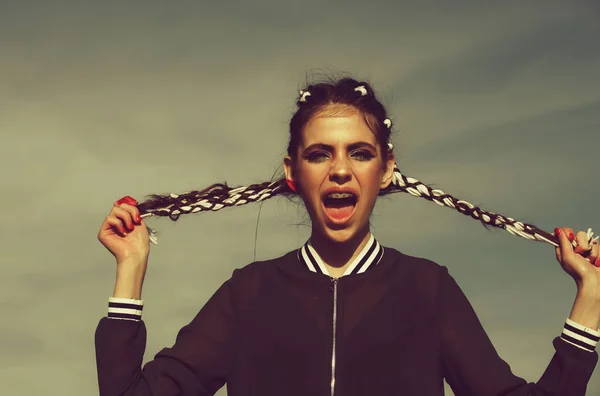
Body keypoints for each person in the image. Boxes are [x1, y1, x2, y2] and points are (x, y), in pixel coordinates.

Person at [95, 77, 600, 396]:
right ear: (294, 171)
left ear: (386, 170)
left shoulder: (427, 289)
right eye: (320, 154)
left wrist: (591, 299)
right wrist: (131, 267)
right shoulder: (248, 294)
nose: (340, 170)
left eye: (359, 152)